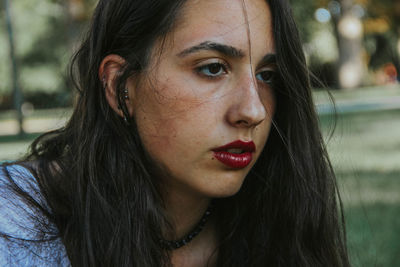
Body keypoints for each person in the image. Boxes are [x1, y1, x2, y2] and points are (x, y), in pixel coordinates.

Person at [0, 0, 350, 266]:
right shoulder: (15, 229)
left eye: (267, 75)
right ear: (121, 86)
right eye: (212, 68)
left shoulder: (278, 221)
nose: (253, 111)